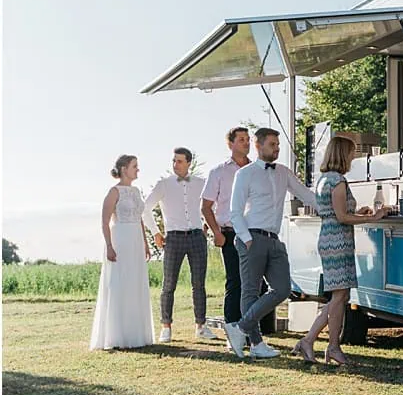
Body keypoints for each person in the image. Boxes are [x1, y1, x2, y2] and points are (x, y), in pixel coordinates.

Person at [226, 127, 317, 360]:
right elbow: (235, 212)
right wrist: (246, 240)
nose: (277, 149)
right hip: (252, 237)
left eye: (278, 145)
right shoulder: (245, 174)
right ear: (259, 146)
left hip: (275, 240)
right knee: (251, 291)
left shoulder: (283, 172)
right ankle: (256, 344)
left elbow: (307, 195)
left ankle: (240, 328)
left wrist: (337, 209)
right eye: (272, 145)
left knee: (283, 288)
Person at [292, 134, 380, 365]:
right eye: (351, 153)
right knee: (339, 296)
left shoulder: (324, 179)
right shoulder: (338, 181)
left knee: (339, 296)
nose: (353, 157)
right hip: (338, 241)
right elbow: (342, 217)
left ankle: (317, 343)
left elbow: (334, 212)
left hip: (329, 238)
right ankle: (325, 345)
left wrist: (359, 212)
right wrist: (373, 218)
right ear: (343, 155)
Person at [201, 127, 273, 350]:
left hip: (257, 233)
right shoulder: (219, 172)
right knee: (236, 283)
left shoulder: (258, 169)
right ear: (230, 144)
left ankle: (252, 334)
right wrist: (217, 233)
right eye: (241, 140)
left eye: (247, 140)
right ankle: (233, 335)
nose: (246, 143)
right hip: (231, 234)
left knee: (259, 286)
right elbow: (206, 206)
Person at [143, 147, 222, 344]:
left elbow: (215, 205)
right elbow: (145, 208)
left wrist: (206, 226)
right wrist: (156, 233)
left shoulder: (201, 184)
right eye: (173, 160)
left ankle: (201, 327)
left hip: (197, 237)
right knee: (168, 285)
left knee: (199, 284)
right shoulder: (164, 184)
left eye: (179, 161)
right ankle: (166, 327)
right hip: (173, 238)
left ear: (189, 163)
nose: (175, 164)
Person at [90, 154, 155, 350]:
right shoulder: (114, 192)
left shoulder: (135, 191)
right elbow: (104, 221)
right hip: (121, 239)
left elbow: (140, 218)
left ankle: (137, 334)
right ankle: (117, 335)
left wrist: (145, 243)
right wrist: (109, 246)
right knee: (120, 283)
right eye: (135, 166)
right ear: (124, 169)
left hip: (136, 239)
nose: (137, 169)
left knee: (135, 282)